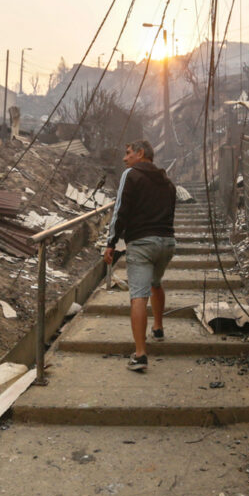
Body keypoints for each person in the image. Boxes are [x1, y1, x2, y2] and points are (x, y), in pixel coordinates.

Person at [104, 139, 176, 372]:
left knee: (138, 296)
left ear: (140, 153)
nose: (125, 158)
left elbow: (120, 209)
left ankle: (140, 354)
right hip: (166, 242)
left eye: (128, 153)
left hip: (142, 243)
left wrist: (111, 242)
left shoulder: (131, 174)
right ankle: (158, 327)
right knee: (155, 283)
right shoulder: (167, 181)